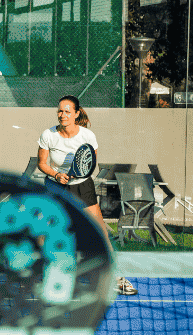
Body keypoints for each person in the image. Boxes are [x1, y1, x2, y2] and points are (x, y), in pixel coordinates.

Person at [37, 95, 138, 296]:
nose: (62, 114)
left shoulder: (87, 136)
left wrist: (75, 175)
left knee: (99, 230)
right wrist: (57, 174)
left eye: (67, 111)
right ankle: (39, 272)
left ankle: (114, 277)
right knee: (45, 231)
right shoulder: (48, 135)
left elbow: (89, 165)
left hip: (82, 186)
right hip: (55, 186)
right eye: (60, 110)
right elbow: (42, 164)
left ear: (76, 114)